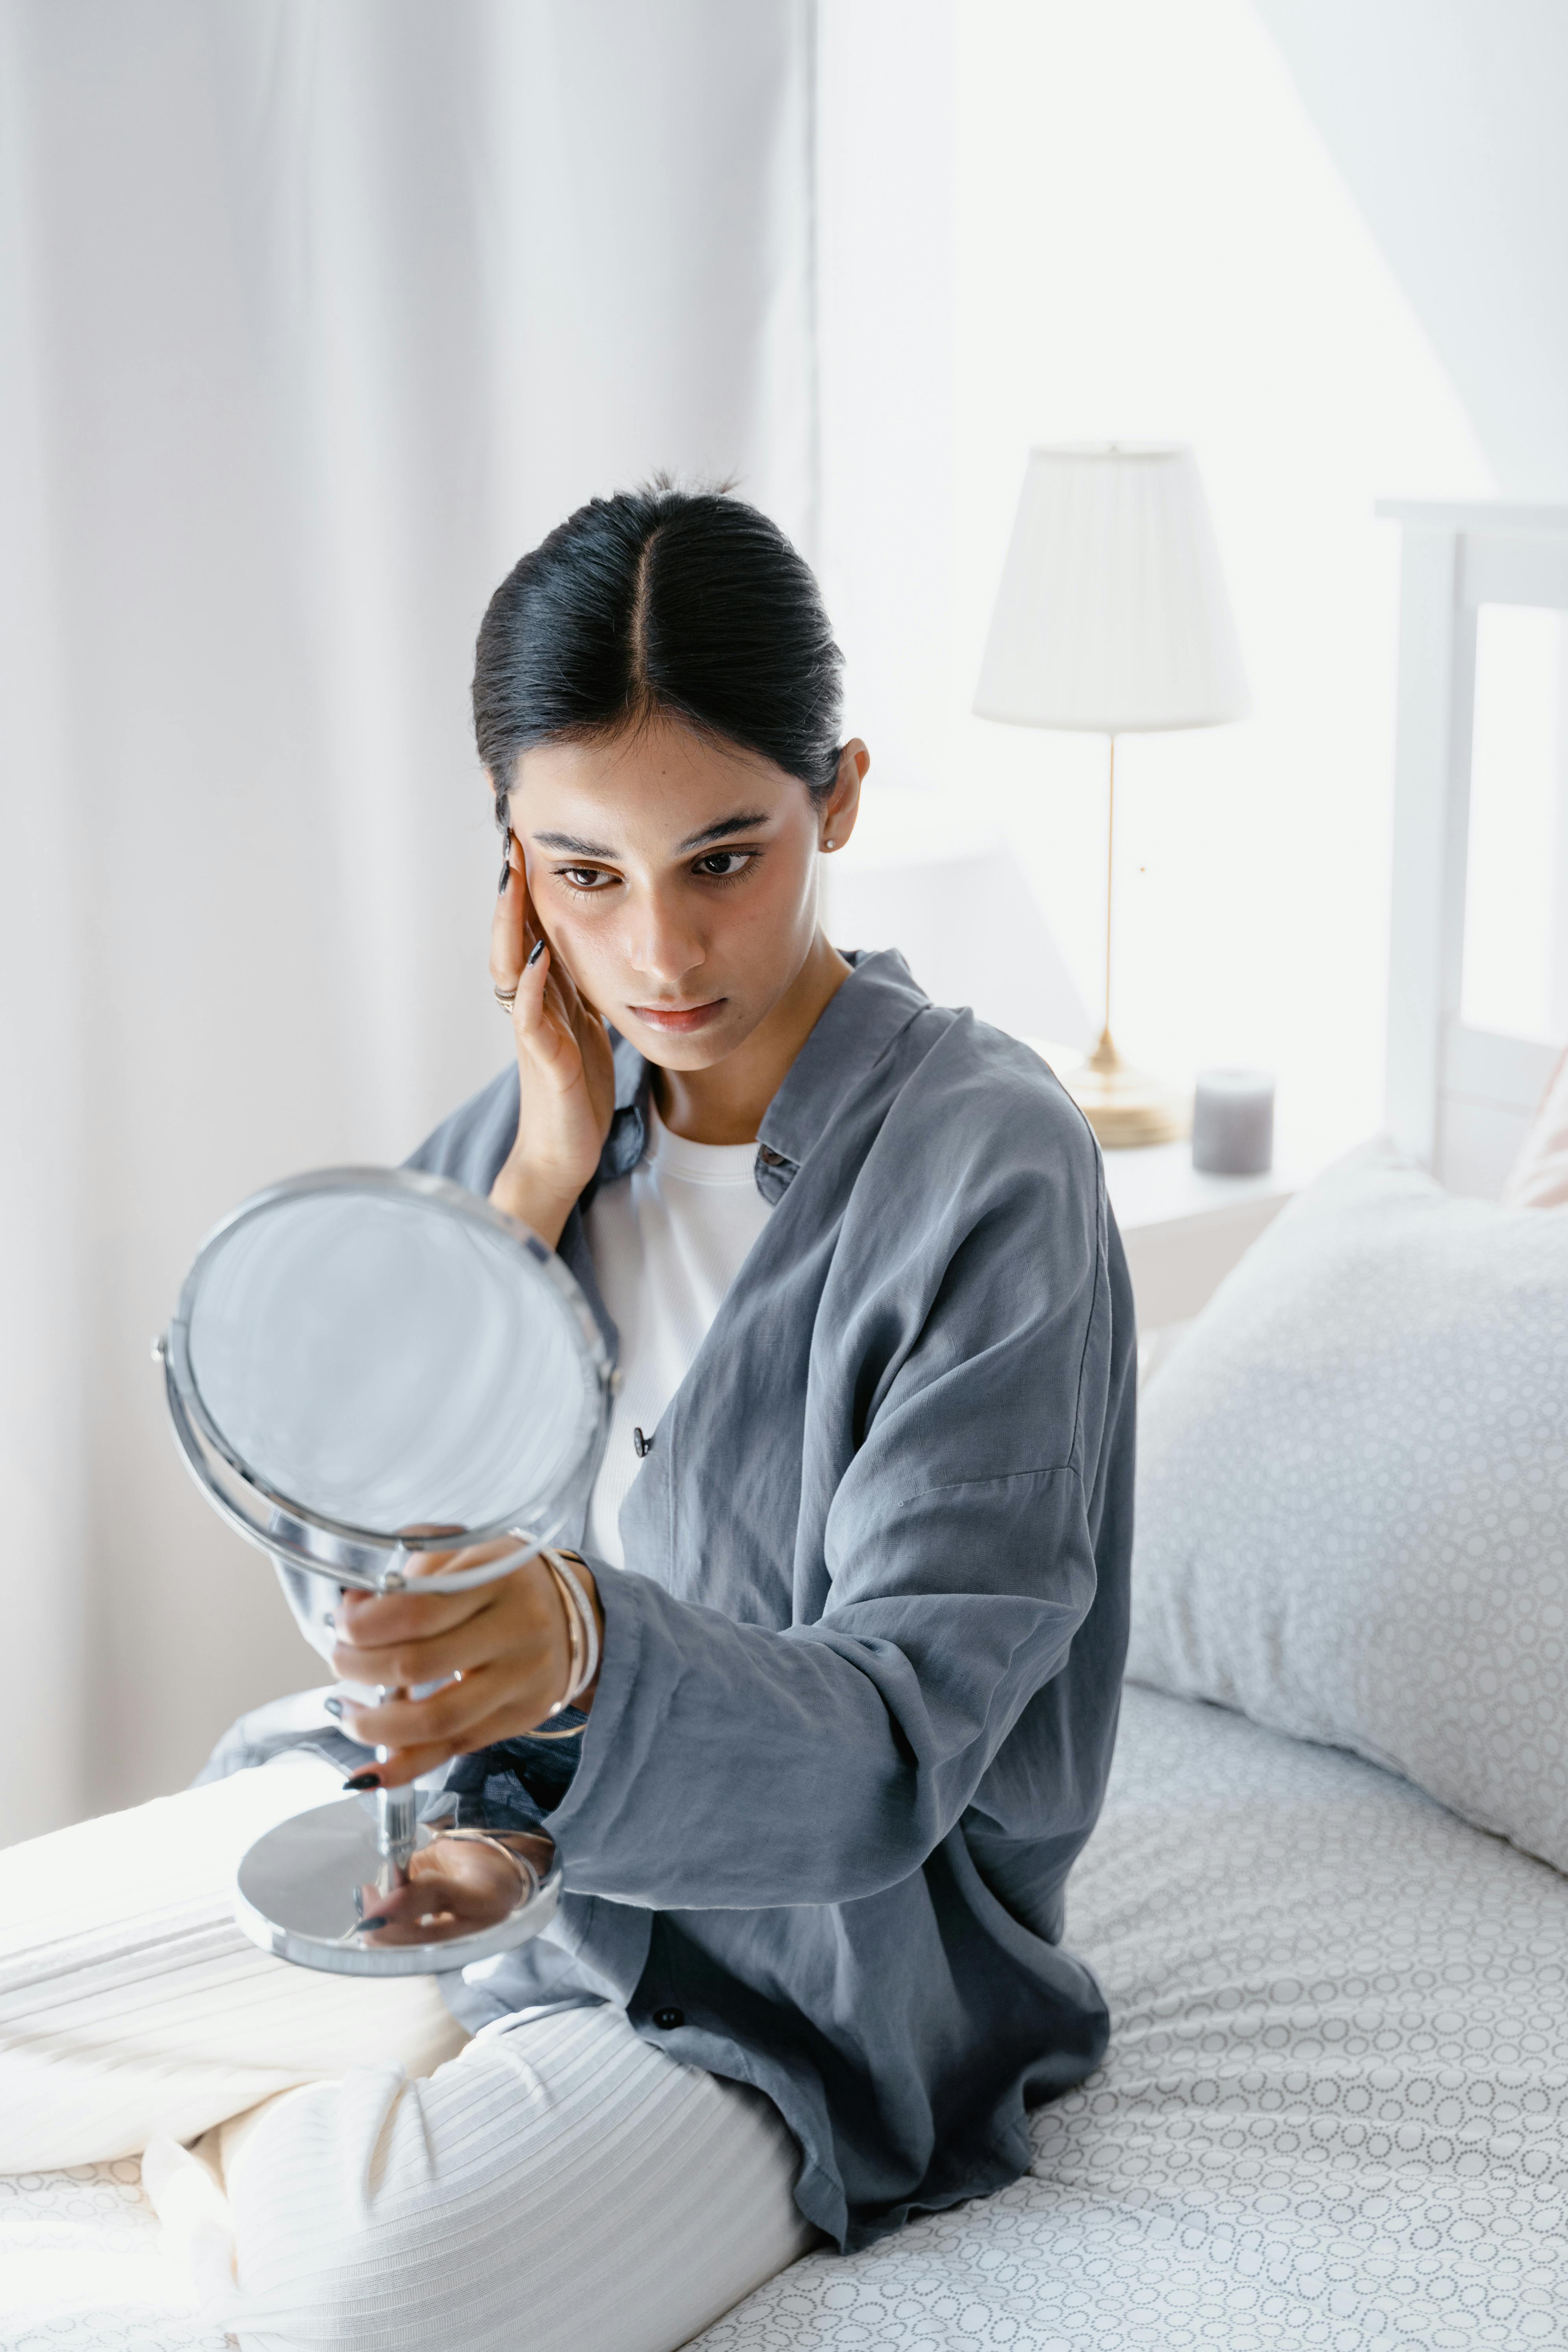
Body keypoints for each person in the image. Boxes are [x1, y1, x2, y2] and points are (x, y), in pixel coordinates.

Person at [0, 485, 1136, 2352]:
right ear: (511, 858)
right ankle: (339, 2068)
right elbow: (349, 1588)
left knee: (364, 2304)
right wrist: (530, 1188)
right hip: (430, 1857)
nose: (661, 954)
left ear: (837, 797)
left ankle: (274, 2124)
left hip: (801, 1972)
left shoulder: (988, 1164)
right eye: (583, 871)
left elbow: (898, 1741)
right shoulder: (515, 1136)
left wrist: (589, 1650)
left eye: (725, 856)